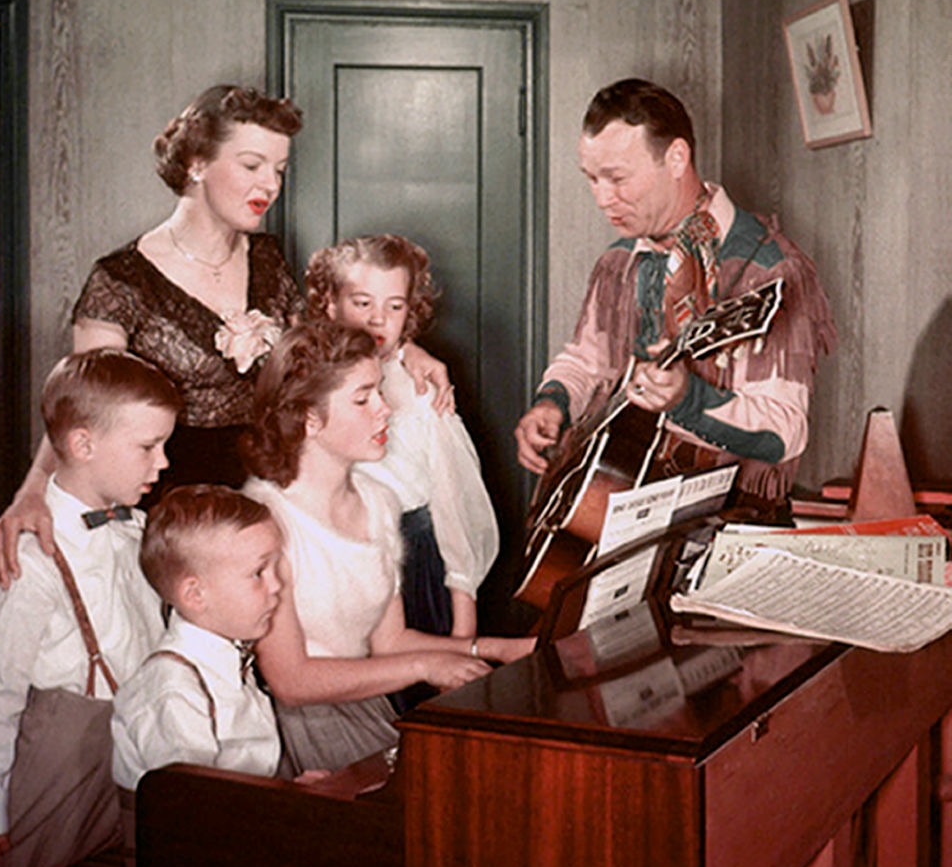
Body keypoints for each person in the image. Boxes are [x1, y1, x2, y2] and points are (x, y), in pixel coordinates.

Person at [0, 84, 452, 588]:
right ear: (197, 163)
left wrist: (405, 349)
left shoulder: (270, 259)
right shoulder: (119, 281)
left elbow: (318, 355)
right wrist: (32, 492)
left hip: (270, 493)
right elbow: (82, 411)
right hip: (171, 513)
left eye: (279, 169)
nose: (270, 185)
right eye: (253, 165)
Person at [515, 78, 836, 516]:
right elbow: (587, 360)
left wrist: (688, 400)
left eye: (617, 178)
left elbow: (785, 431)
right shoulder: (619, 262)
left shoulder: (772, 270)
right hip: (621, 510)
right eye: (591, 178)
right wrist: (552, 403)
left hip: (726, 524)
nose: (601, 198)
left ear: (677, 158)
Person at [239, 321, 533, 774]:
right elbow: (290, 680)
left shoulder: (377, 502)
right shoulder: (267, 516)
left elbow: (389, 641)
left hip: (367, 712)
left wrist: (499, 650)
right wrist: (426, 667)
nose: (386, 410)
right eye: (363, 399)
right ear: (309, 419)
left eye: (380, 391)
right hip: (294, 735)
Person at [0, 348, 179, 867]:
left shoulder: (135, 527)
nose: (163, 462)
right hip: (57, 756)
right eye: (149, 446)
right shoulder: (32, 560)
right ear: (82, 445)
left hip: (127, 746)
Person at [304, 234, 499, 643]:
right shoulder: (305, 377)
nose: (378, 319)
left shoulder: (420, 389)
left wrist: (464, 628)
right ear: (330, 303)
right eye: (362, 303)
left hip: (413, 565)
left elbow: (454, 511)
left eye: (395, 306)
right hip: (333, 563)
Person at [112, 484, 285, 793]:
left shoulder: (228, 654)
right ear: (195, 595)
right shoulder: (174, 690)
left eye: (276, 567)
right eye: (259, 572)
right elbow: (194, 808)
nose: (276, 585)